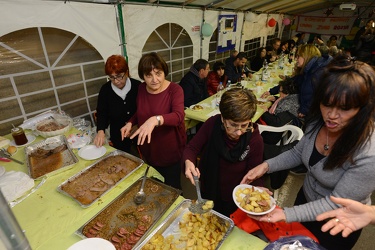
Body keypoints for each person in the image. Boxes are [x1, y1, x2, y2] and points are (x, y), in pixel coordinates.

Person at [240, 55, 375, 250]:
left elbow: (335, 203)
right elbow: (297, 153)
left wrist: (286, 214)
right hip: (305, 201)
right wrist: (265, 166)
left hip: (337, 223)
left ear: (362, 109)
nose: (332, 115)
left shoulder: (368, 153)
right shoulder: (318, 121)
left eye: (344, 108)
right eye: (327, 103)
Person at [183, 88, 264, 217]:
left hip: (235, 196)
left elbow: (254, 173)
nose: (239, 132)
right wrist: (188, 163)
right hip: (209, 187)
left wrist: (258, 192)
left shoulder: (255, 140)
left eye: (244, 125)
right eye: (233, 125)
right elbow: (191, 148)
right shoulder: (212, 124)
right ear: (222, 118)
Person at [120, 52, 186, 189]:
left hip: (169, 152)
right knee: (154, 187)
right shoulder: (142, 88)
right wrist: (130, 122)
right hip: (149, 149)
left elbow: (178, 116)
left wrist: (155, 120)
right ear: (143, 76)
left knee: (172, 189)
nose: (154, 79)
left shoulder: (175, 90)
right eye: (148, 75)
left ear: (164, 72)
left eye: (158, 73)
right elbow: (140, 111)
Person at [94, 55, 141, 153]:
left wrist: (136, 126)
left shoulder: (138, 86)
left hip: (139, 131)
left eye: (119, 76)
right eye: (112, 77)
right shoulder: (105, 90)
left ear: (126, 72)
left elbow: (145, 108)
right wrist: (101, 131)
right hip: (118, 135)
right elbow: (102, 113)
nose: (116, 81)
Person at [260, 78, 300, 144]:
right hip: (279, 131)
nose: (279, 92)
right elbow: (282, 102)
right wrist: (275, 99)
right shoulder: (292, 99)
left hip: (271, 135)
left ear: (287, 93)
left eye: (280, 91)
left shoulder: (288, 104)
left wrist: (265, 113)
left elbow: (276, 122)